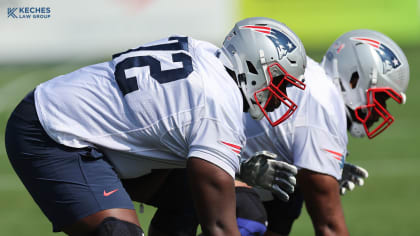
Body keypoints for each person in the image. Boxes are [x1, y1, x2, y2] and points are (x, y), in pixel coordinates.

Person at [4, 17, 307, 236]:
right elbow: (220, 228)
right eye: (279, 81)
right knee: (118, 233)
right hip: (55, 133)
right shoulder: (217, 104)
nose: (279, 95)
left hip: (98, 133)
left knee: (242, 205)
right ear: (252, 67)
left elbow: (164, 122)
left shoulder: (207, 55)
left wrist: (237, 166)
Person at [146, 29, 409, 236]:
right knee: (249, 214)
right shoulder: (323, 105)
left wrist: (322, 168)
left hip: (204, 159)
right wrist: (322, 175)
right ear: (354, 79)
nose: (379, 111)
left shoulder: (317, 86)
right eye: (382, 98)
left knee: (288, 189)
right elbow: (329, 227)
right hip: (187, 158)